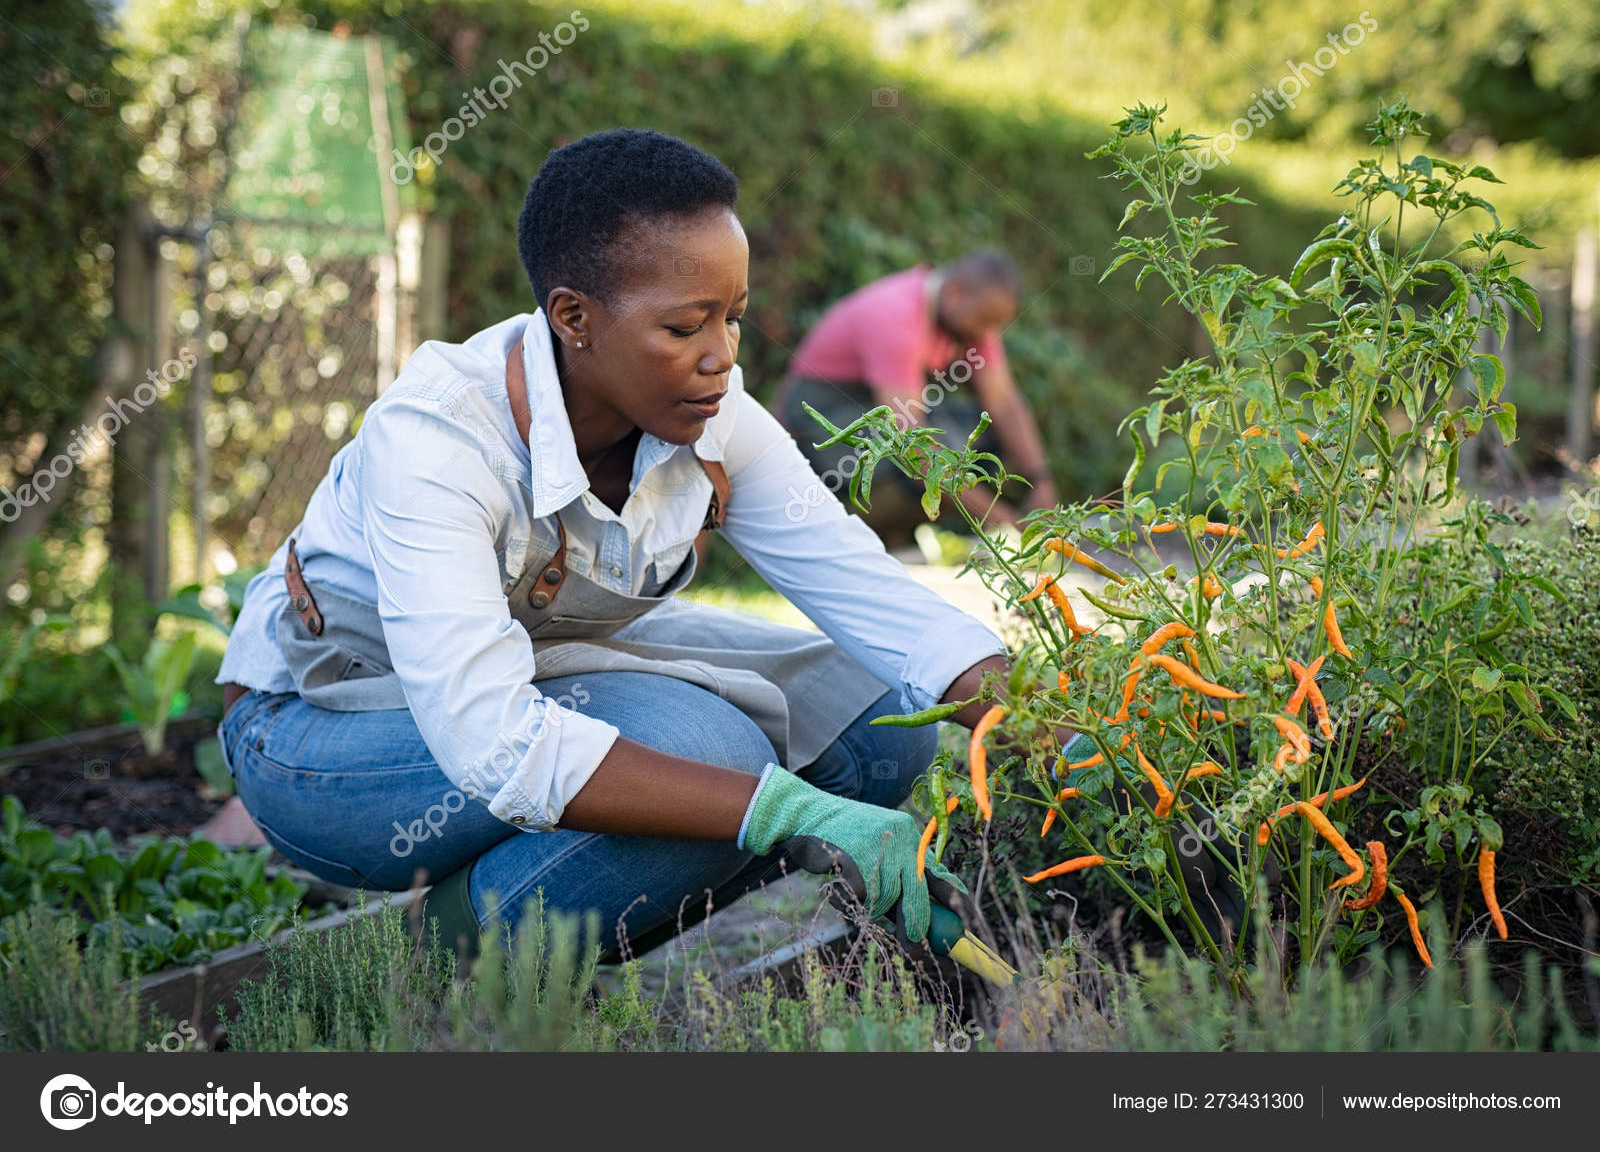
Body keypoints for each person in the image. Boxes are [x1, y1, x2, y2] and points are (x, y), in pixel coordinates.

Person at [213, 129, 1067, 964]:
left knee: (883, 719)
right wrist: (783, 813)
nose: (722, 359)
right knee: (710, 757)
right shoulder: (441, 440)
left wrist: (1069, 742)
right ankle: (438, 953)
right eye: (686, 328)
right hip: (323, 733)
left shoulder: (714, 419)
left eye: (732, 319)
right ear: (574, 317)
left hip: (553, 669)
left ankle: (536, 907)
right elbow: (491, 739)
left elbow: (875, 600)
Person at [775, 253, 1060, 548]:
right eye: (986, 320)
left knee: (983, 441)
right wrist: (999, 519)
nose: (988, 333)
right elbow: (912, 448)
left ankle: (895, 533)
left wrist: (1041, 479)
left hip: (877, 408)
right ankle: (836, 536)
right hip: (820, 411)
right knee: (914, 462)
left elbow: (1004, 404)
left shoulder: (968, 320)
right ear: (955, 292)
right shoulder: (898, 317)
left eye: (996, 324)